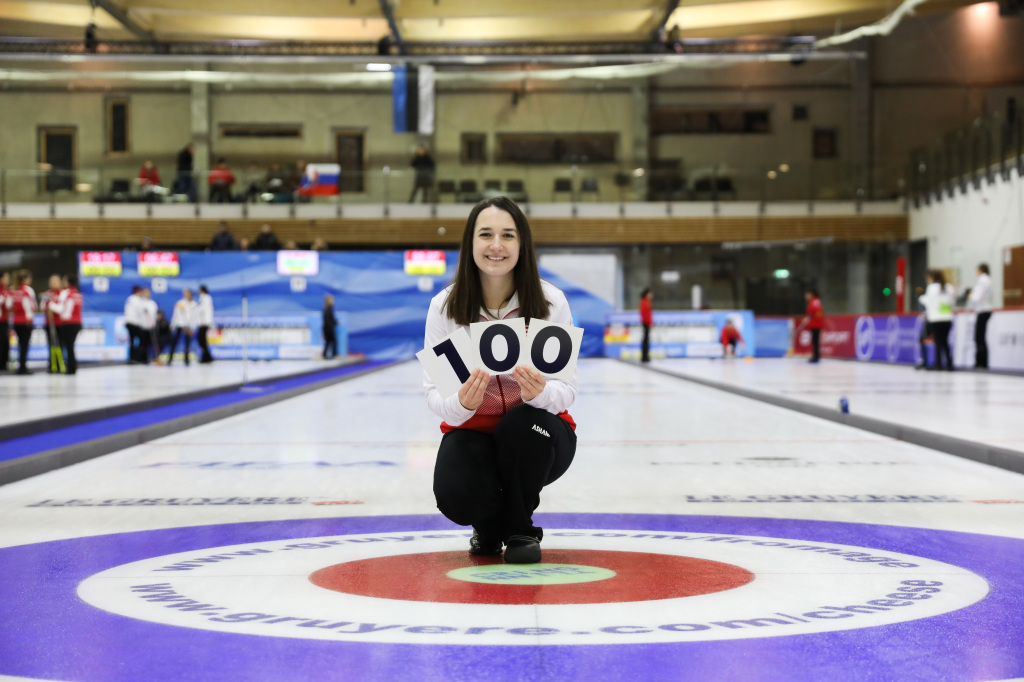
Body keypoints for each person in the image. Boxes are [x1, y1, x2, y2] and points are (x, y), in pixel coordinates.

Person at [424, 197, 577, 565]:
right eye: (486, 234)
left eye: (508, 235)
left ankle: (520, 529)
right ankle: (488, 526)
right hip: (473, 433)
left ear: (522, 244)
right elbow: (434, 394)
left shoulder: (549, 302)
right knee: (454, 495)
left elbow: (567, 390)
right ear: (470, 243)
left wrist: (540, 394)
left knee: (521, 425)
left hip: (538, 438)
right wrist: (462, 403)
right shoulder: (444, 307)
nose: (496, 245)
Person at [919, 269, 955, 371]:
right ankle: (949, 365)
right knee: (944, 342)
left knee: (938, 342)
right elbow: (952, 302)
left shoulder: (931, 288)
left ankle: (938, 365)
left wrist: (921, 298)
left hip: (936, 319)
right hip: (947, 318)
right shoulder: (949, 287)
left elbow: (928, 302)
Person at [50, 274, 83, 375]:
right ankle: (72, 367)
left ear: (67, 282)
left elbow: (61, 309)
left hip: (67, 323)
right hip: (78, 323)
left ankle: (71, 368)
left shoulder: (65, 293)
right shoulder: (78, 294)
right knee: (71, 346)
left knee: (68, 346)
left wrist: (51, 305)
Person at [967, 263, 993, 369]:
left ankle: (981, 362)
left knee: (979, 338)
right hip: (983, 310)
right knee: (980, 337)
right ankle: (981, 362)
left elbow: (977, 297)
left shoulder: (983, 280)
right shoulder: (987, 280)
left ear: (981, 269)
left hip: (983, 310)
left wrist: (970, 294)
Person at [10, 270, 36, 375]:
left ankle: (20, 366)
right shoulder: (28, 290)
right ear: (25, 279)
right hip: (26, 322)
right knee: (25, 345)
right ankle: (23, 367)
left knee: (20, 344)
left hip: (16, 321)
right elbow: (33, 307)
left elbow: (9, 306)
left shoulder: (13, 290)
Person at [167, 289, 196, 366]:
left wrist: (192, 327)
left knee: (187, 343)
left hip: (189, 326)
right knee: (174, 342)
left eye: (187, 293)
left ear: (190, 294)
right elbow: (176, 315)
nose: (185, 295)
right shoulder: (180, 303)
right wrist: (173, 326)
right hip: (179, 326)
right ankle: (170, 359)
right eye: (184, 293)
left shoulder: (194, 304)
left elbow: (194, 317)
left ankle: (186, 359)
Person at [40, 274, 62, 373]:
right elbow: (42, 308)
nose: (54, 283)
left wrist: (53, 306)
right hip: (50, 323)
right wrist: (46, 305)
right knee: (51, 344)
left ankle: (60, 362)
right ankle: (52, 363)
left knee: (60, 344)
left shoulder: (62, 294)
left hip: (60, 323)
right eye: (52, 281)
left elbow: (62, 307)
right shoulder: (47, 294)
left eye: (56, 281)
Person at [799, 288, 825, 363]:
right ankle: (815, 355)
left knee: (815, 340)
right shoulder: (812, 302)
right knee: (814, 340)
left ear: (811, 294)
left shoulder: (815, 301)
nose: (806, 296)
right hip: (813, 324)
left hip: (816, 324)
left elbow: (817, 312)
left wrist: (810, 317)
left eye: (807, 294)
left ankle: (816, 356)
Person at [196, 285, 214, 364]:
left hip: (204, 323)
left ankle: (206, 357)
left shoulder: (205, 298)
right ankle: (207, 357)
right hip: (204, 322)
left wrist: (195, 308)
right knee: (202, 340)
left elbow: (202, 310)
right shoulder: (205, 298)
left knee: (201, 340)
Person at [0, 272, 11, 371]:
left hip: (5, 320)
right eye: (6, 278)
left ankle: (4, 364)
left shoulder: (7, 290)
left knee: (5, 342)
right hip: (1, 321)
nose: (8, 280)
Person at [639, 287, 653, 362]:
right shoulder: (644, 302)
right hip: (645, 323)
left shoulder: (646, 302)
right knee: (645, 340)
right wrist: (649, 322)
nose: (651, 295)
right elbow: (645, 314)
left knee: (646, 339)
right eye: (650, 294)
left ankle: (645, 355)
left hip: (646, 322)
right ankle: (644, 356)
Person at [322, 294, 338, 360]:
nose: (333, 301)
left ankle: (325, 354)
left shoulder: (325, 308)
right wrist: (335, 323)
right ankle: (334, 354)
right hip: (329, 328)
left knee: (328, 342)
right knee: (333, 341)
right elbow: (330, 320)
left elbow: (328, 319)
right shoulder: (329, 309)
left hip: (326, 328)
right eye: (332, 300)